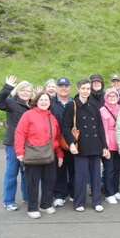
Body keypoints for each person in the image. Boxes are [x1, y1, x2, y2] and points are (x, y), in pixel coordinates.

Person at [61, 78, 110, 213]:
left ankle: (97, 201)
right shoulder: (72, 105)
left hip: (95, 146)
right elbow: (65, 127)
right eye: (83, 88)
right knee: (80, 177)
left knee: (96, 176)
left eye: (88, 89)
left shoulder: (94, 106)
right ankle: (79, 202)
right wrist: (72, 143)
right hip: (80, 146)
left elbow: (100, 128)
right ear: (78, 89)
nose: (86, 91)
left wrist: (104, 147)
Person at [14, 91, 64, 219]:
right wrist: (19, 152)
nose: (44, 102)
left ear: (50, 102)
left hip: (49, 154)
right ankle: (32, 208)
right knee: (32, 182)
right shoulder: (28, 115)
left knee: (50, 181)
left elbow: (57, 137)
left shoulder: (52, 118)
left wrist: (59, 154)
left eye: (46, 100)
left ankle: (46, 205)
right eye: (41, 100)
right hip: (33, 154)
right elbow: (20, 133)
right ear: (36, 101)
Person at [0, 75, 33, 212]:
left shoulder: (32, 105)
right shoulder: (11, 103)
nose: (25, 93)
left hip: (29, 144)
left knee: (27, 172)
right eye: (22, 90)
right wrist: (7, 87)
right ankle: (9, 201)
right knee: (12, 172)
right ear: (17, 91)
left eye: (28, 91)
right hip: (13, 143)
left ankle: (27, 197)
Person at [100, 88, 120, 204]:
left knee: (116, 169)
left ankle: (115, 191)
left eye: (114, 96)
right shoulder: (102, 110)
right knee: (109, 169)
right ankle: (109, 193)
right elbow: (103, 130)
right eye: (110, 96)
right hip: (108, 144)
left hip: (118, 143)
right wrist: (105, 146)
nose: (112, 98)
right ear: (106, 97)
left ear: (118, 97)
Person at [51, 77, 74, 207]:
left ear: (70, 88)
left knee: (74, 168)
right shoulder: (50, 103)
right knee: (59, 169)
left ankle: (73, 193)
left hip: (72, 141)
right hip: (56, 141)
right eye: (61, 86)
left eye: (66, 86)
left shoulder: (74, 103)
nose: (63, 88)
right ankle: (59, 195)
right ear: (57, 88)